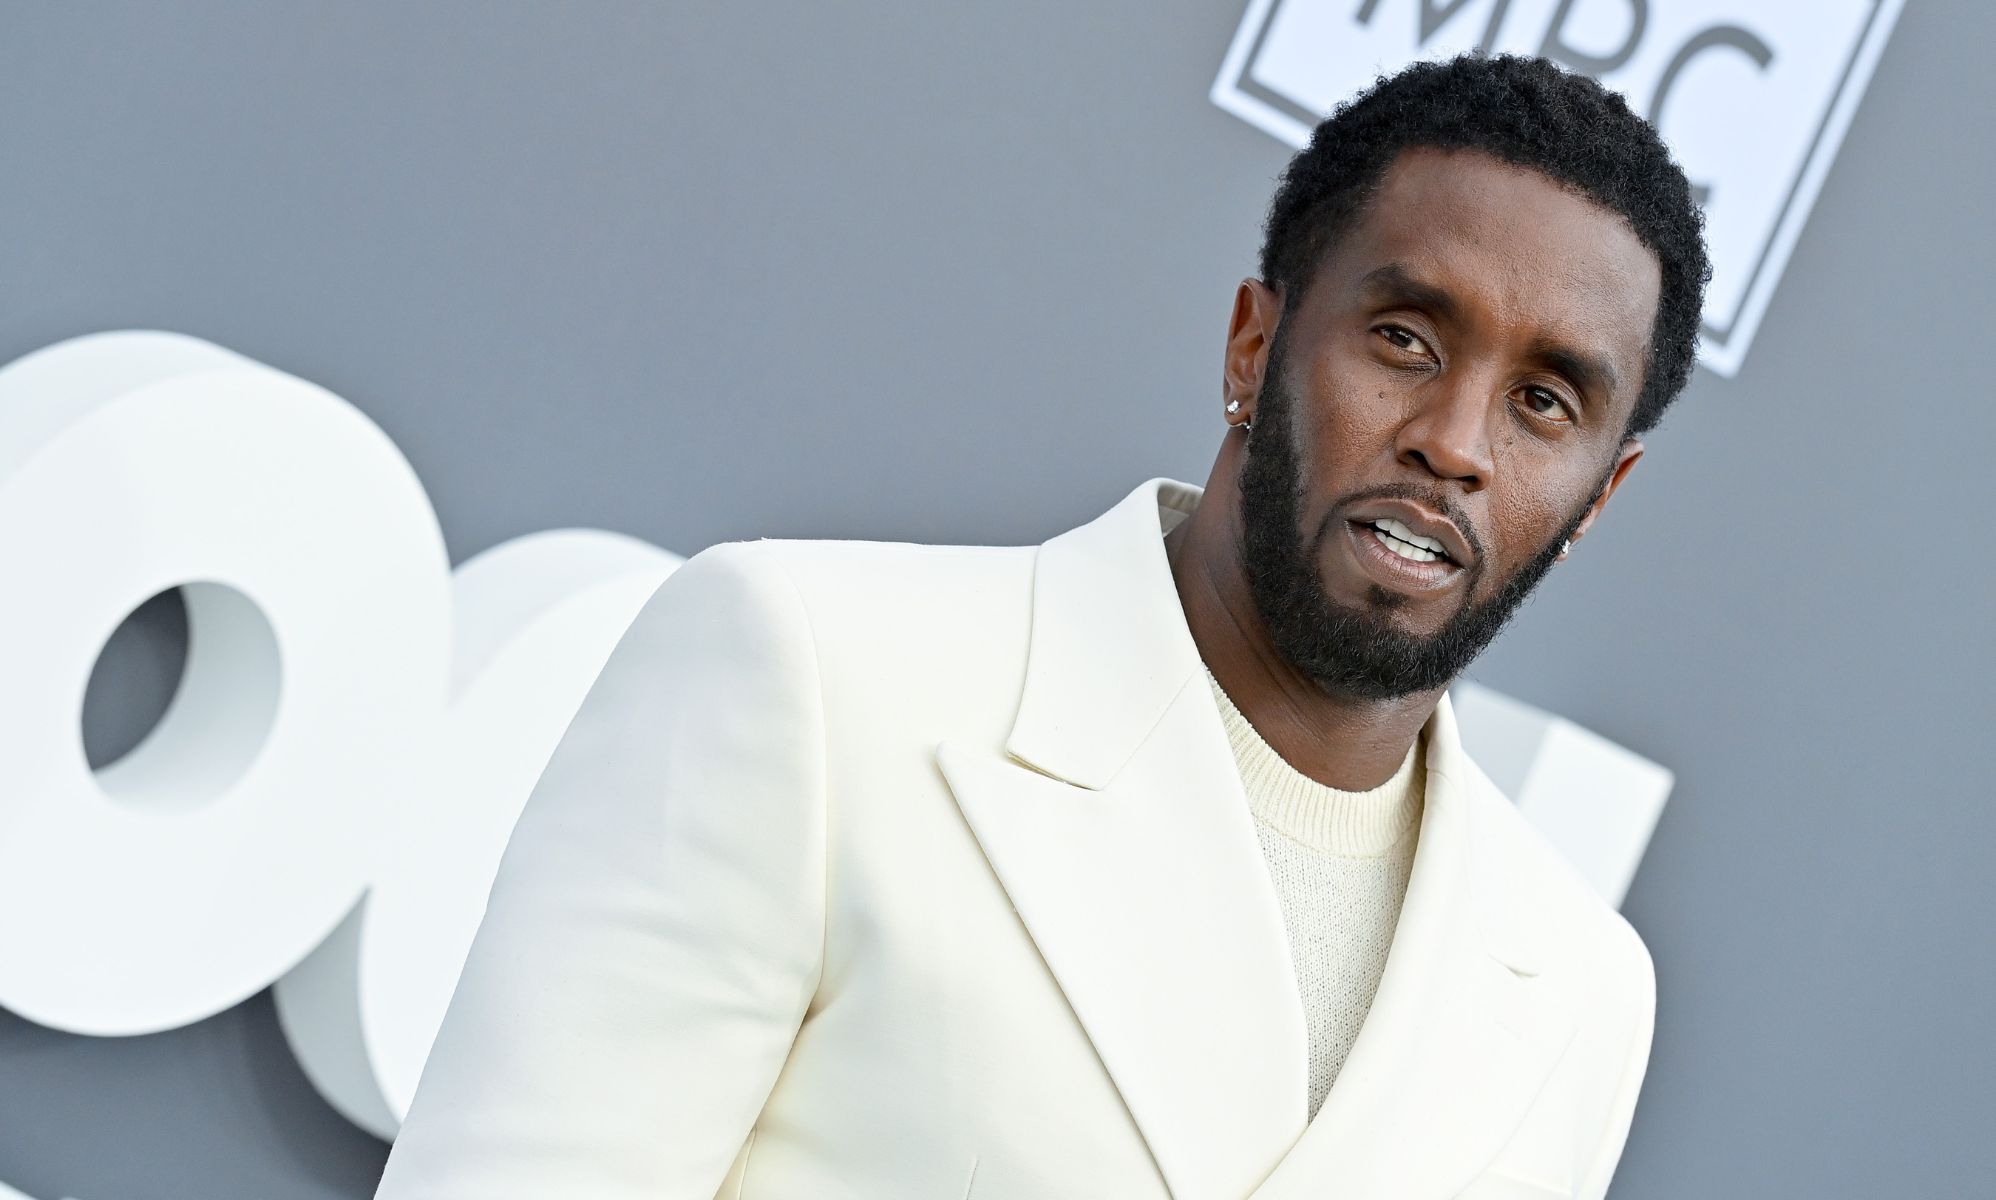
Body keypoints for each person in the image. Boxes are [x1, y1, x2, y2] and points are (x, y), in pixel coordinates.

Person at [375, 51, 1710, 1200]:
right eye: (1408, 340)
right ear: (1255, 343)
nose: (1455, 444)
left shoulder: (1579, 996)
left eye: (1545, 403)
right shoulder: (816, 674)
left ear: (1603, 491)